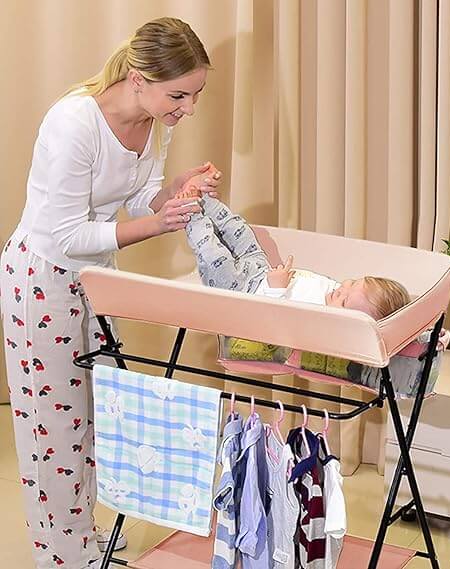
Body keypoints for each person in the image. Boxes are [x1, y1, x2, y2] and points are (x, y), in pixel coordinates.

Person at [0, 17, 221, 569]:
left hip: (96, 279)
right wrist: (158, 224)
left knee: (96, 412)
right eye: (180, 96)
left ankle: (83, 531)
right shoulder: (74, 123)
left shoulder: (154, 121)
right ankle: (62, 554)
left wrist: (175, 191)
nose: (189, 108)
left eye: (195, 95)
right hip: (42, 279)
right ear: (139, 79)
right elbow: (67, 235)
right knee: (52, 424)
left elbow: (142, 194)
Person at [177, 185, 410, 320]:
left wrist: (275, 289)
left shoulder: (323, 321)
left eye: (345, 299)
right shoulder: (335, 292)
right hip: (261, 270)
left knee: (213, 253)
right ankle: (204, 200)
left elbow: (276, 320)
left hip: (243, 293)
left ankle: (189, 212)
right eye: (353, 283)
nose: (342, 288)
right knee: (241, 231)